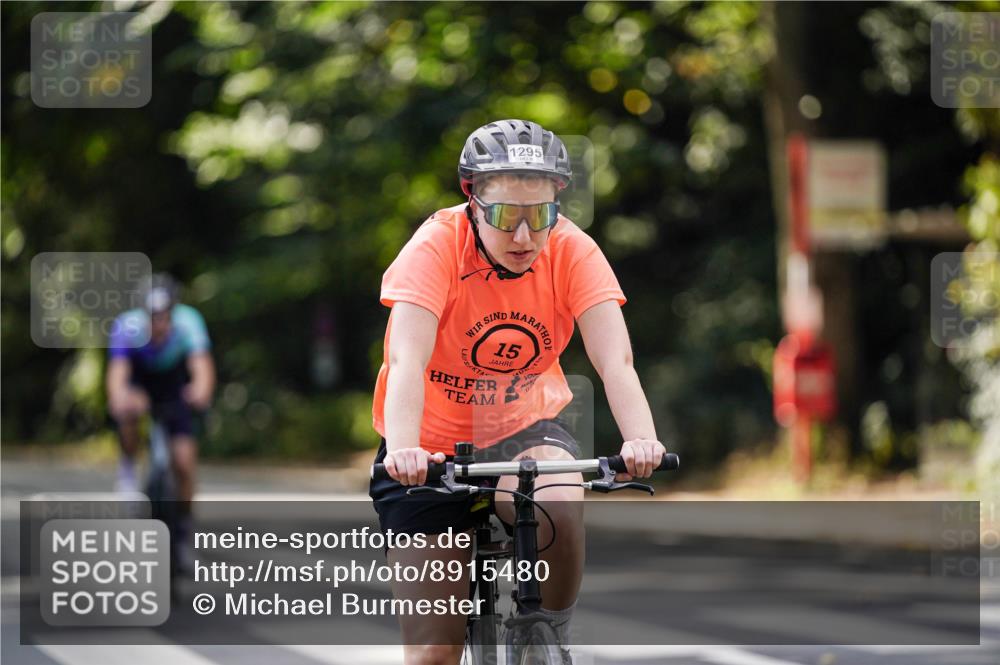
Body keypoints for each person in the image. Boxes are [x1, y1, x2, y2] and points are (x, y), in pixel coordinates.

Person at [369, 119, 667, 665]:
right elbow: (407, 360)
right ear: (474, 202)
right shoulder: (436, 247)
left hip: (523, 430)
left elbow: (615, 361)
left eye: (541, 216)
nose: (525, 237)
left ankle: (546, 635)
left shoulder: (573, 250)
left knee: (558, 499)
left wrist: (640, 439)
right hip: (427, 449)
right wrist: (406, 451)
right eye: (507, 217)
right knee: (432, 653)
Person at [106, 273, 215, 558]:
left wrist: (200, 391)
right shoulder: (127, 327)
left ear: (173, 313)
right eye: (152, 317)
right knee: (127, 411)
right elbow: (118, 374)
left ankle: (184, 529)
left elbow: (201, 366)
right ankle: (128, 466)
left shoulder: (189, 323)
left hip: (173, 386)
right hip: (141, 382)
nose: (158, 324)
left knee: (184, 462)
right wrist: (121, 397)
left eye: (164, 317)